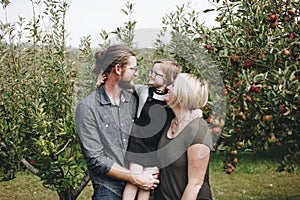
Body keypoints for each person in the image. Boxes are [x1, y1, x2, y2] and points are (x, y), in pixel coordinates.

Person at [75, 45, 159, 200]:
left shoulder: (134, 101)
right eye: (133, 69)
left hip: (140, 187)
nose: (136, 74)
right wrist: (135, 177)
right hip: (109, 190)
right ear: (118, 69)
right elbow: (96, 159)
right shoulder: (88, 108)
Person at [122, 60, 182, 200]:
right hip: (138, 144)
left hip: (156, 147)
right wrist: (103, 78)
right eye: (151, 71)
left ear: (167, 79)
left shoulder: (172, 98)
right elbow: (123, 85)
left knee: (147, 186)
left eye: (156, 73)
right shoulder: (144, 91)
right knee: (134, 180)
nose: (151, 75)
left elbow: (188, 105)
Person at [154, 73, 213, 200]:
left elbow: (195, 184)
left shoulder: (197, 130)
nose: (168, 87)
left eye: (173, 85)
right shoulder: (169, 121)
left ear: (184, 93)